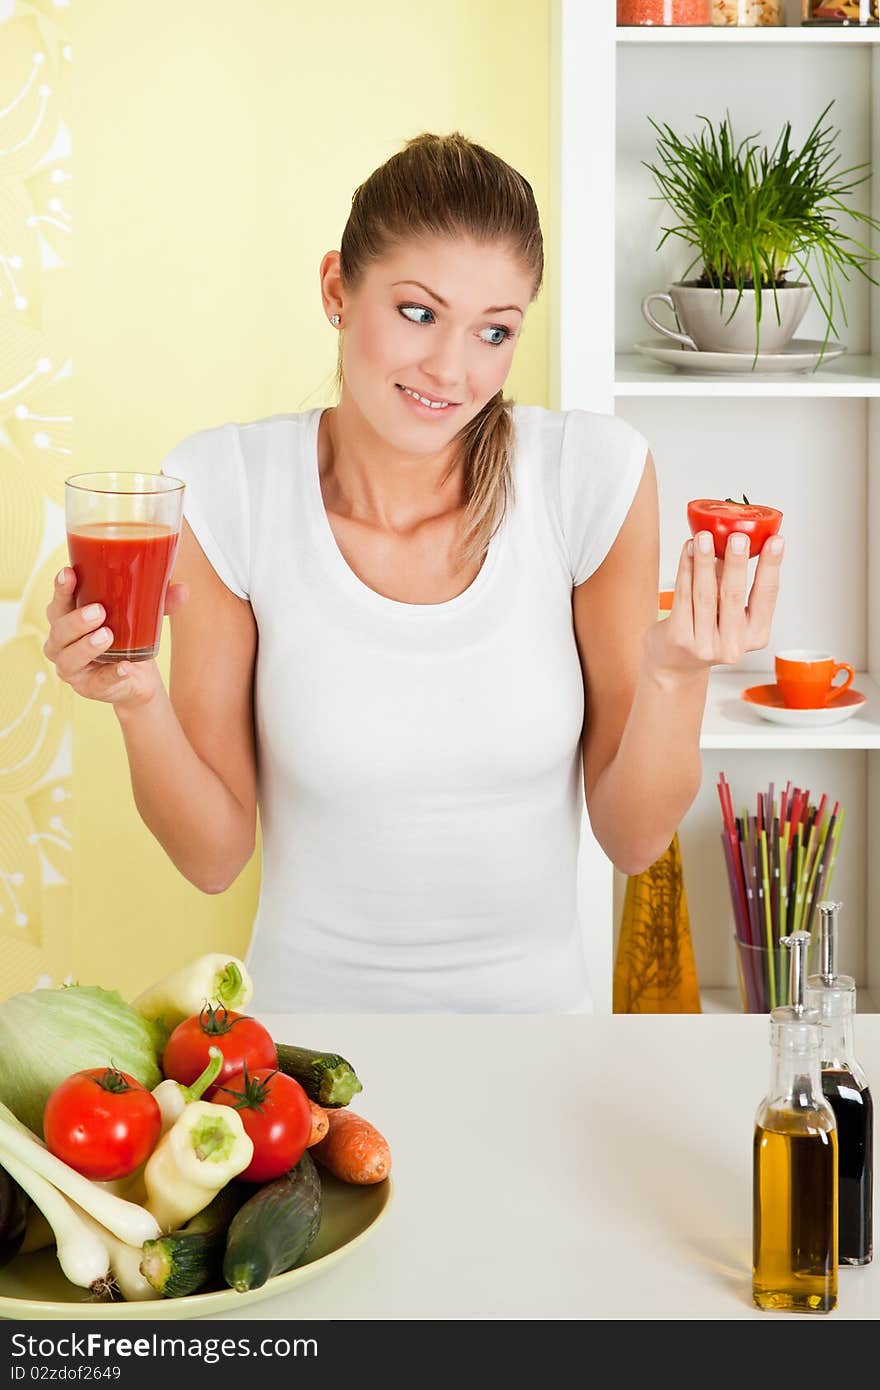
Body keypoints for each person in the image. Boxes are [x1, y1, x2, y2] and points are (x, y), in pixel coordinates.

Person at [44, 132, 783, 1013]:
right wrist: (137, 700)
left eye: (494, 331)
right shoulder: (229, 488)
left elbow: (632, 837)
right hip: (304, 1077)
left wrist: (678, 672)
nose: (449, 370)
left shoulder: (591, 476)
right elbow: (213, 858)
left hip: (538, 1056)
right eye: (419, 313)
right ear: (336, 290)